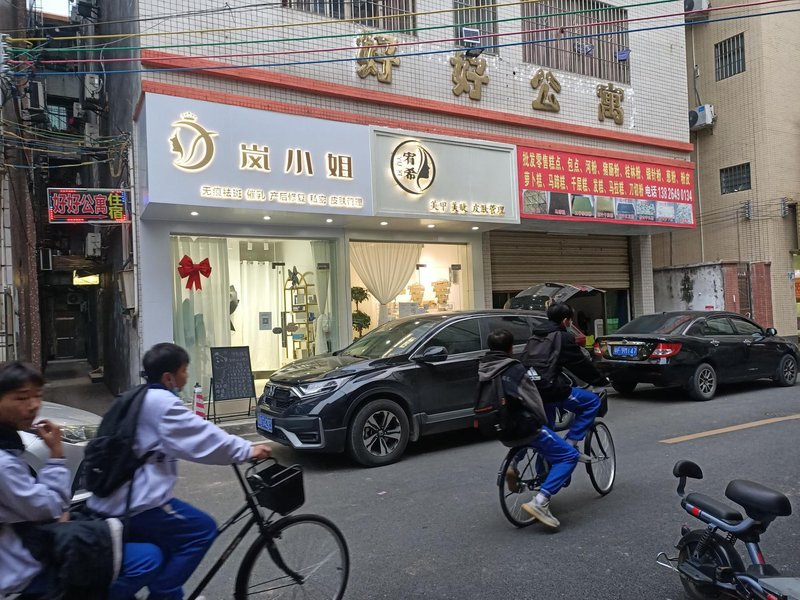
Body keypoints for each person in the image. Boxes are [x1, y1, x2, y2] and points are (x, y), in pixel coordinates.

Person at [87, 343, 272, 600]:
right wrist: (246, 450)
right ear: (168, 377)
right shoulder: (162, 404)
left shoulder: (139, 395)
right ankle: (164, 595)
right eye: (184, 371)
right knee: (201, 530)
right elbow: (202, 437)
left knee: (169, 548)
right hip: (138, 504)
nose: (186, 377)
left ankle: (171, 593)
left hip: (113, 498)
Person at [0, 361, 163, 599]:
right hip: (27, 568)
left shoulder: (9, 446)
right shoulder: (4, 464)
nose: (34, 405)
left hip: (30, 549)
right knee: (146, 558)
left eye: (38, 396)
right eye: (22, 397)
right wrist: (56, 455)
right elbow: (51, 507)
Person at [479, 329, 580, 530]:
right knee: (569, 456)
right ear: (510, 348)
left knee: (530, 441)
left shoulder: (484, 368)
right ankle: (540, 502)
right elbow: (533, 400)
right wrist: (542, 423)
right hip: (524, 427)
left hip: (500, 428)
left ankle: (513, 463)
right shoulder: (515, 369)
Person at [523, 302, 608, 453]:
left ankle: (544, 466)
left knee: (548, 437)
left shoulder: (534, 336)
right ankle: (570, 443)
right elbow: (580, 364)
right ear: (564, 321)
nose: (571, 323)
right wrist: (599, 380)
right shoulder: (563, 337)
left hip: (532, 389)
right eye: (570, 320)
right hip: (551, 389)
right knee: (592, 402)